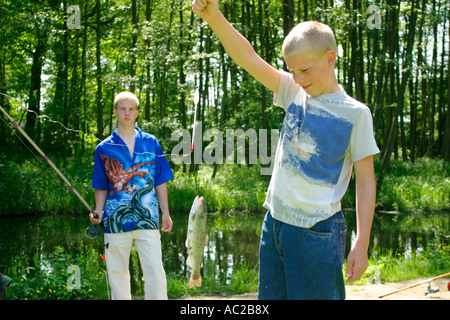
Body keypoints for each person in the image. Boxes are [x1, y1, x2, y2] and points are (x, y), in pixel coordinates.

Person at [192, 0, 379, 299]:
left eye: (305, 69)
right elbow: (249, 58)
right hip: (275, 225)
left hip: (316, 232)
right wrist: (213, 16)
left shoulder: (355, 114)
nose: (299, 79)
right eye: (293, 71)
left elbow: (366, 181)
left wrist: (361, 243)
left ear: (330, 58)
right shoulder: (293, 91)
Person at [89, 91, 174, 300]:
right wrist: (98, 210)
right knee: (117, 273)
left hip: (148, 218)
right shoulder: (104, 147)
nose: (127, 113)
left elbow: (160, 180)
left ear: (136, 113)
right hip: (115, 220)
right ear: (116, 112)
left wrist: (166, 213)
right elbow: (100, 184)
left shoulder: (151, 143)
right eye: (122, 109)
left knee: (155, 271)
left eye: (131, 109)